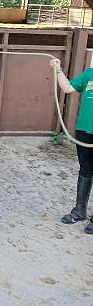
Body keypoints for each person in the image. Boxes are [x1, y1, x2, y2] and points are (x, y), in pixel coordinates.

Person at [51, 57, 93, 234]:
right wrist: (58, 70)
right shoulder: (89, 75)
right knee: (85, 171)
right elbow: (67, 88)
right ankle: (79, 211)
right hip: (84, 131)